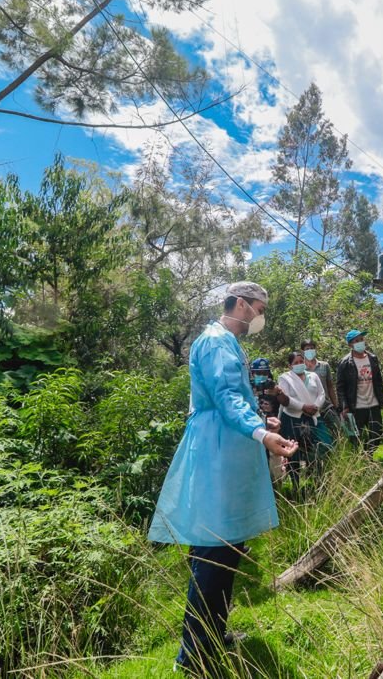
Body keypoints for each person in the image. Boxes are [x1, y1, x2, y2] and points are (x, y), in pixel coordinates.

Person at [148, 282, 298, 676]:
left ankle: (215, 633)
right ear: (242, 304)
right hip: (218, 458)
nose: (260, 316)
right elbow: (228, 398)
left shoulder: (227, 342)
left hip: (228, 451)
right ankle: (195, 656)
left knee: (226, 551)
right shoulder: (216, 342)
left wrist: (258, 419)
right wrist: (263, 433)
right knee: (214, 552)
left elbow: (234, 400)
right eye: (259, 308)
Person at [278, 350, 333, 495]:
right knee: (294, 453)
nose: (299, 364)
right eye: (295, 363)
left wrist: (316, 406)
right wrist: (303, 407)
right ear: (290, 365)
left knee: (324, 445)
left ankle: (318, 480)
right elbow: (286, 399)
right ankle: (296, 486)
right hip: (293, 419)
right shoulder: (285, 378)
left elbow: (321, 393)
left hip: (314, 416)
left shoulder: (313, 376)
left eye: (301, 361)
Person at [336, 329, 383, 457]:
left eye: (361, 340)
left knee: (377, 433)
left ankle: (368, 456)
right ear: (350, 345)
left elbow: (378, 380)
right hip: (356, 406)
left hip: (373, 403)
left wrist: (382, 398)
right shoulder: (345, 363)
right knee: (356, 437)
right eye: (356, 341)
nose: (360, 343)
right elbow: (340, 386)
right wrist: (344, 406)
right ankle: (361, 460)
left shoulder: (372, 358)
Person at [250, 357, 290, 483]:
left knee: (275, 466)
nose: (262, 376)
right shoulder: (247, 389)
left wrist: (278, 393)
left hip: (273, 432)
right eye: (258, 373)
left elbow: (286, 402)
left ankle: (277, 491)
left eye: (265, 373)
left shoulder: (273, 388)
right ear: (252, 373)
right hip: (255, 432)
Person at [301, 338, 341, 437]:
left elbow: (330, 386)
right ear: (302, 351)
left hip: (326, 406)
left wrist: (336, 405)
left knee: (338, 431)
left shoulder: (324, 365)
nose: (309, 350)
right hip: (310, 409)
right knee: (319, 436)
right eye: (307, 349)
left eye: (312, 348)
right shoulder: (300, 369)